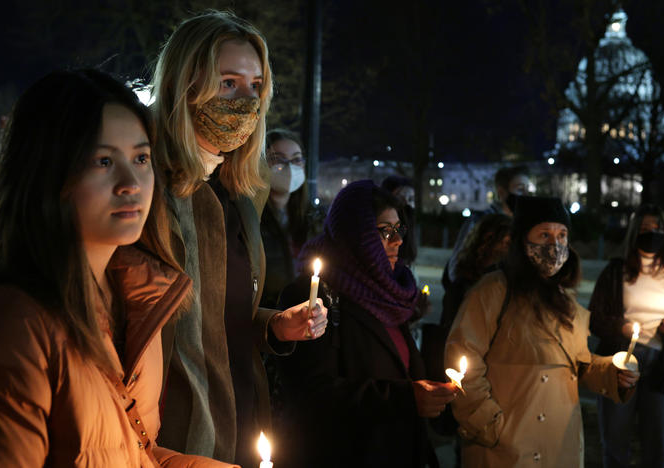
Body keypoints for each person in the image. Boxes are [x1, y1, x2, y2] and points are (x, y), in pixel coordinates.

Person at [0, 69, 234, 467]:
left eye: (141, 158)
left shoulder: (136, 294)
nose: (131, 182)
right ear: (49, 172)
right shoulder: (19, 324)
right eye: (103, 160)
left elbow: (132, 449)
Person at [151, 11, 328, 466]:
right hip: (176, 436)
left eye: (255, 86)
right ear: (183, 85)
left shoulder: (238, 194)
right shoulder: (148, 193)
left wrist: (273, 324)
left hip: (240, 419)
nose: (245, 101)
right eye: (228, 83)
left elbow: (220, 316)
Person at [274, 180, 458, 468]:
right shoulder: (311, 297)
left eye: (399, 230)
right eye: (385, 231)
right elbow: (310, 394)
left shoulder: (390, 296)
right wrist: (405, 400)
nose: (397, 241)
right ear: (356, 235)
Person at [445, 196, 639, 467]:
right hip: (505, 451)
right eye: (544, 234)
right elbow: (462, 360)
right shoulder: (492, 291)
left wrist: (613, 373)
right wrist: (488, 423)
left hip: (560, 446)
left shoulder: (565, 301)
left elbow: (578, 365)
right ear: (522, 239)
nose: (555, 244)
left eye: (562, 235)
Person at [589, 204, 664, 468]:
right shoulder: (616, 272)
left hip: (662, 365)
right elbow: (594, 317)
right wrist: (620, 329)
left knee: (661, 445)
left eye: (657, 228)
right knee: (615, 443)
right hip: (620, 363)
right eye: (645, 228)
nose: (652, 233)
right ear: (634, 232)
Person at [260, 128, 322, 309]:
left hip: (307, 315)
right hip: (265, 316)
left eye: (296, 159)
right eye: (278, 159)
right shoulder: (250, 218)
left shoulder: (313, 219)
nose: (289, 166)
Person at [444, 164, 529, 284]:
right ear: (501, 192)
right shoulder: (479, 221)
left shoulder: (523, 224)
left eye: (527, 188)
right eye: (520, 189)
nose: (526, 193)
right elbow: (457, 264)